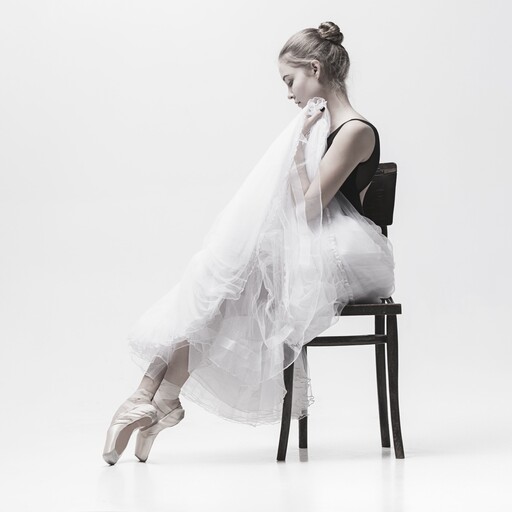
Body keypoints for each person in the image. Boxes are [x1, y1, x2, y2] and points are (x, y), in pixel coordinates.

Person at [102, 20, 395, 465]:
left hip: (350, 258)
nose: (289, 93)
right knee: (227, 280)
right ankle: (157, 397)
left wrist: (300, 142)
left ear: (315, 68)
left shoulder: (354, 130)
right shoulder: (323, 125)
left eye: (290, 80)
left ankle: (154, 397)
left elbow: (309, 207)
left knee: (235, 279)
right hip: (322, 246)